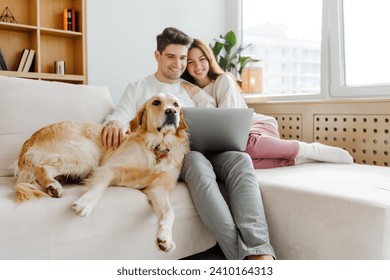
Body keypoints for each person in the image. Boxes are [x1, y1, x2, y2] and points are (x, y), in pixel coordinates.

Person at [102, 27, 275, 260]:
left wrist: (200, 95)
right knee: (196, 161)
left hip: (209, 147)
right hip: (181, 156)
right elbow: (120, 114)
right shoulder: (140, 88)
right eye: (171, 57)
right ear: (157, 56)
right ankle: (247, 260)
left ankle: (259, 249)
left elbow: (215, 118)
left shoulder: (190, 87)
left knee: (241, 160)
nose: (179, 64)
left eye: (183, 58)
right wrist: (113, 122)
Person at [181, 38, 354, 168]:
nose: (197, 65)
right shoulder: (187, 91)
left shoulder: (222, 81)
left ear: (209, 59)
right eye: (190, 61)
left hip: (256, 128)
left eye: (202, 59)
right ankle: (298, 159)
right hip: (237, 140)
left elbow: (227, 127)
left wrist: (202, 97)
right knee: (240, 162)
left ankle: (311, 150)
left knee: (247, 148)